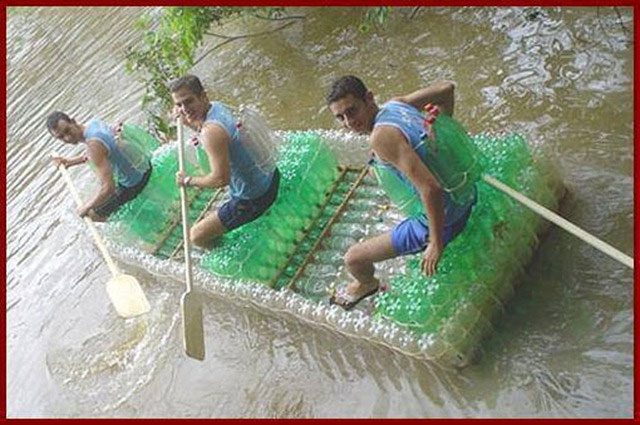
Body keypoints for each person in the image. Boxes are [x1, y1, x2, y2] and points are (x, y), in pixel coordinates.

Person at [325, 75, 477, 310]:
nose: (348, 122)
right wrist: (439, 131)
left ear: (369, 98)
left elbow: (431, 188)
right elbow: (447, 89)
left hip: (446, 220)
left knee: (353, 259)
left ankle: (367, 284)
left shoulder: (381, 137)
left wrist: (435, 243)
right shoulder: (398, 105)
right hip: (465, 192)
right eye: (340, 117)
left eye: (352, 111)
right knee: (383, 167)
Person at [169, 74, 280, 249]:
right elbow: (207, 129)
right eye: (179, 104)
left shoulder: (211, 132)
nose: (184, 108)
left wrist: (188, 180)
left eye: (188, 101)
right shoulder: (217, 107)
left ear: (203, 96)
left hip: (255, 198)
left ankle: (228, 253)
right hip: (271, 175)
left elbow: (220, 180)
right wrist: (187, 120)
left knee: (196, 236)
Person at [48, 112, 152, 221]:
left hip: (135, 183)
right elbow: (99, 152)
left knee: (91, 214)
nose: (67, 138)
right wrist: (70, 162)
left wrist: (87, 206)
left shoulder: (93, 145)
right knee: (100, 195)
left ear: (73, 122)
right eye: (61, 137)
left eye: (67, 130)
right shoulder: (94, 125)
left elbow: (109, 188)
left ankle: (135, 222)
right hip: (145, 166)